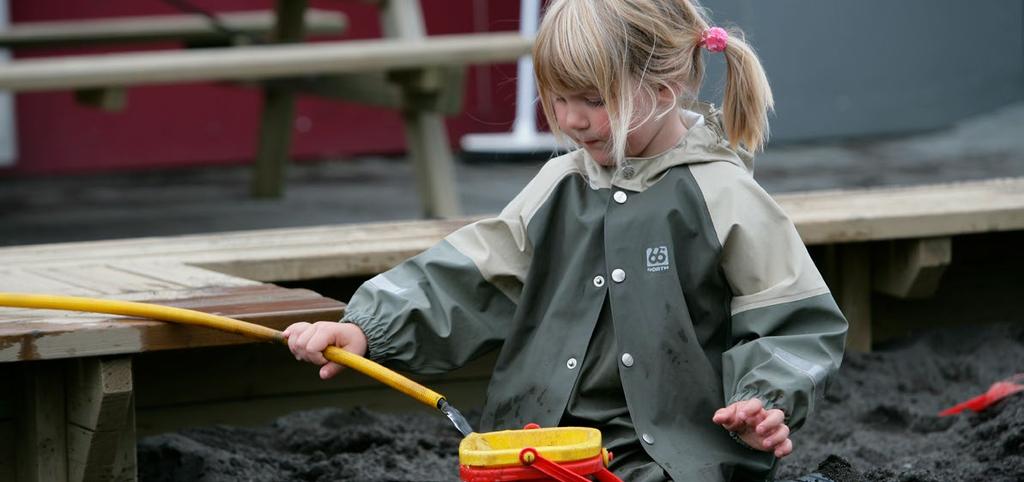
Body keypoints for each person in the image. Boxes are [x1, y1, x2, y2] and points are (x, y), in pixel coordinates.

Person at [284, 0, 848, 480]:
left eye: (595, 101)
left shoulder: (722, 194)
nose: (572, 120)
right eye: (557, 99)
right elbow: (473, 278)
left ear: (667, 87)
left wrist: (763, 404)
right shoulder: (560, 184)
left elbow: (792, 320)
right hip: (535, 447)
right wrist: (367, 327)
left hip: (672, 457)